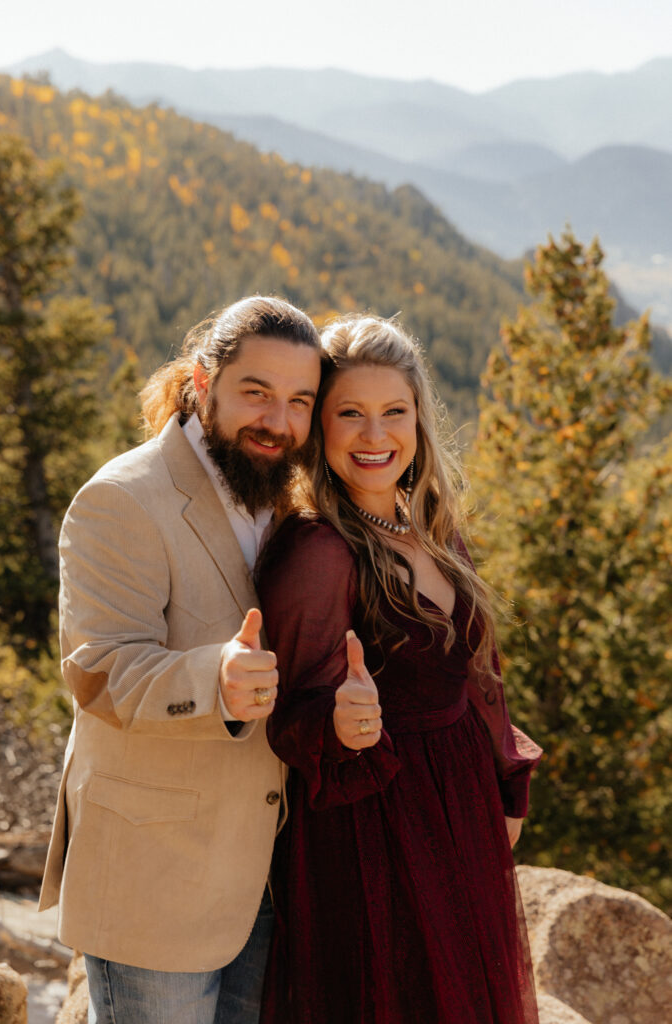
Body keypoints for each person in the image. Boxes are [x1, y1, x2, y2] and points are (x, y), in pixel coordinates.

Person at [38, 296, 324, 1024]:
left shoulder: (287, 502)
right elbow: (99, 671)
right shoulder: (121, 499)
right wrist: (214, 680)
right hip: (150, 877)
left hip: (264, 875)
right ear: (202, 383)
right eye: (255, 393)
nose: (278, 420)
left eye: (299, 401)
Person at [256, 314, 543, 1024]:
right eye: (349, 413)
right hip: (372, 840)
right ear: (319, 429)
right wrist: (339, 723)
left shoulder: (433, 533)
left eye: (394, 412)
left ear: (418, 420)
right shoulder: (318, 552)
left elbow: (481, 675)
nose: (375, 435)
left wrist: (505, 780)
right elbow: (289, 721)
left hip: (458, 817)